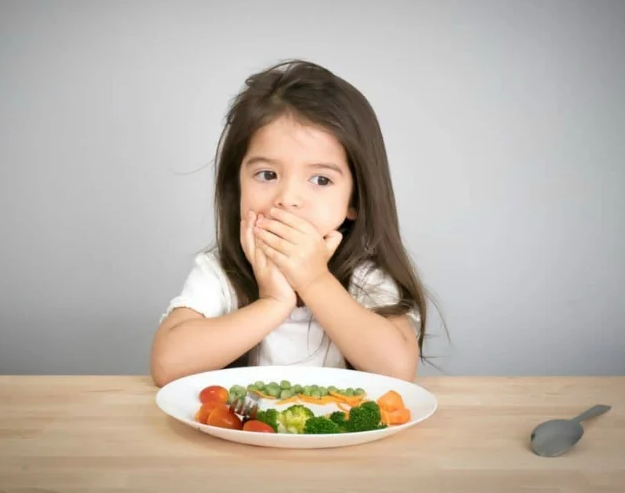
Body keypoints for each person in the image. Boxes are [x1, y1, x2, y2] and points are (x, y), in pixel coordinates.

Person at [150, 59, 431, 387]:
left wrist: (314, 280)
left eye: (321, 179)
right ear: (236, 186)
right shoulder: (220, 272)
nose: (288, 198)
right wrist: (273, 303)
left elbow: (398, 370)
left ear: (355, 200)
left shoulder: (365, 277)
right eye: (267, 175)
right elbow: (167, 364)